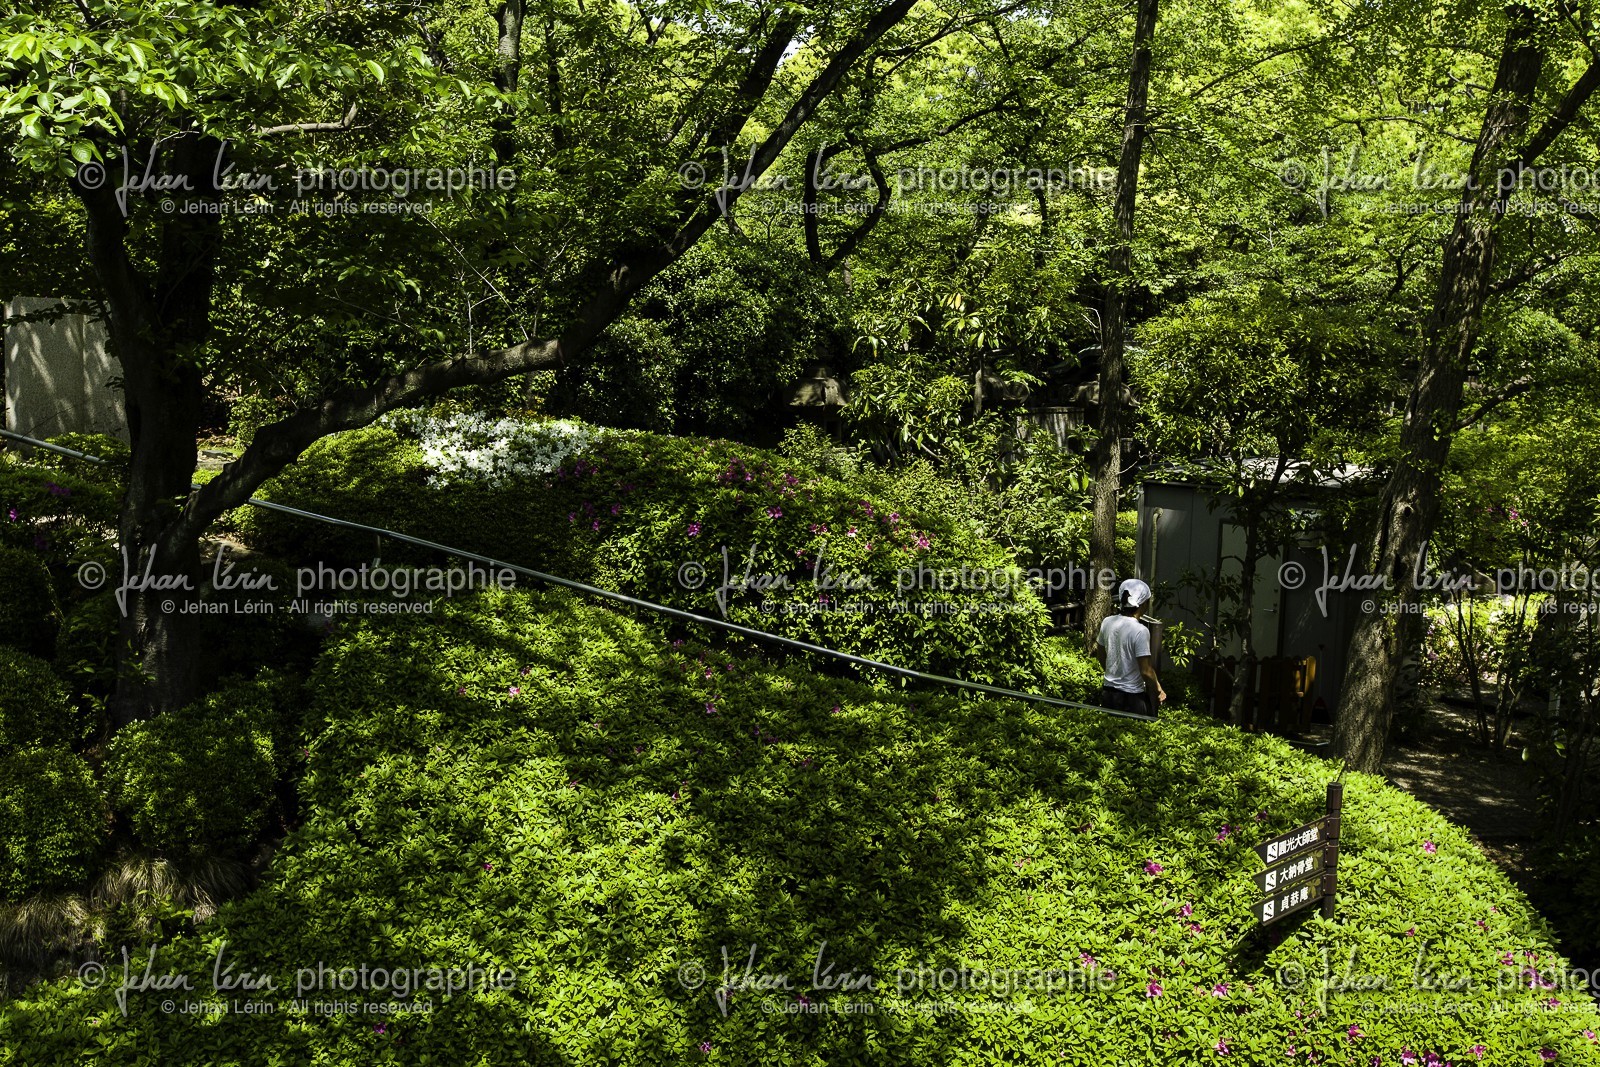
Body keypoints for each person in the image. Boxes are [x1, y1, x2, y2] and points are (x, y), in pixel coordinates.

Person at [1091, 578, 1166, 717]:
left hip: (1108, 694)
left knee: (1108, 735)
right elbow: (1146, 670)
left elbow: (1101, 655)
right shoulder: (1140, 630)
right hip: (1132, 699)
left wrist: (1114, 675)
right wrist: (1158, 689)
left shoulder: (1107, 622)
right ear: (1143, 603)